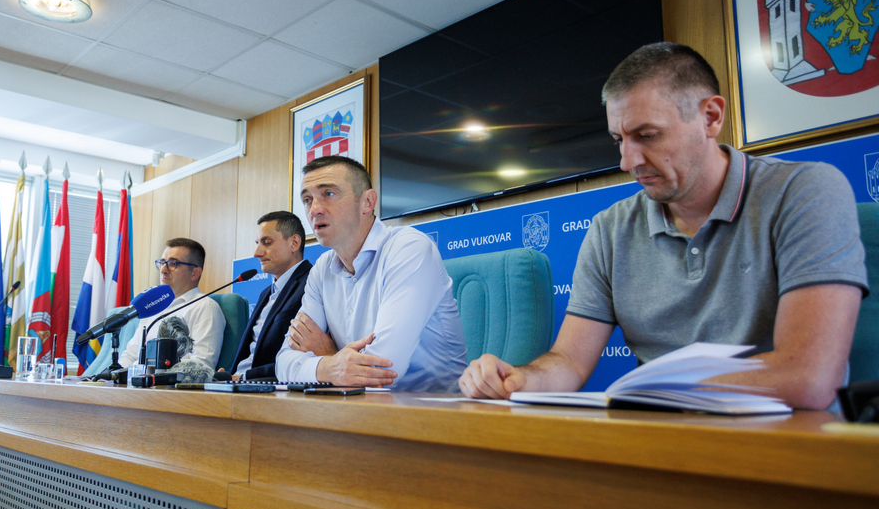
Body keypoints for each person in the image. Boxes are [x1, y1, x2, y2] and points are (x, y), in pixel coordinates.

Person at [459, 42, 868, 409]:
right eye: (619, 140)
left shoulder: (805, 191)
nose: (628, 161)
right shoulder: (609, 229)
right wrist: (520, 380)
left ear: (710, 117)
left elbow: (808, 377)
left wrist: (660, 391)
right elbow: (568, 361)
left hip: (782, 447)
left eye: (648, 135)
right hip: (656, 439)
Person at [276, 155, 467, 391]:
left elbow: (383, 369)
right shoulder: (322, 269)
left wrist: (329, 359)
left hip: (435, 407)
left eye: (329, 194)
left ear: (367, 202)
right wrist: (332, 366)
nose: (314, 209)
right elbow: (283, 362)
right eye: (307, 200)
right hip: (356, 406)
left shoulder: (408, 249)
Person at [119, 238, 225, 371]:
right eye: (162, 263)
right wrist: (113, 376)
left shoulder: (205, 307)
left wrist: (142, 371)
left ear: (194, 273)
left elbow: (200, 365)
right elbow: (130, 356)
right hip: (135, 380)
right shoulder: (153, 306)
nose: (163, 270)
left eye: (173, 263)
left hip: (166, 383)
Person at [230, 211, 312, 380]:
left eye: (267, 243)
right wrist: (228, 376)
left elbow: (304, 358)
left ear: (294, 243)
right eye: (257, 243)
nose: (257, 253)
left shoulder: (312, 284)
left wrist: (245, 377)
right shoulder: (266, 293)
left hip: (267, 386)